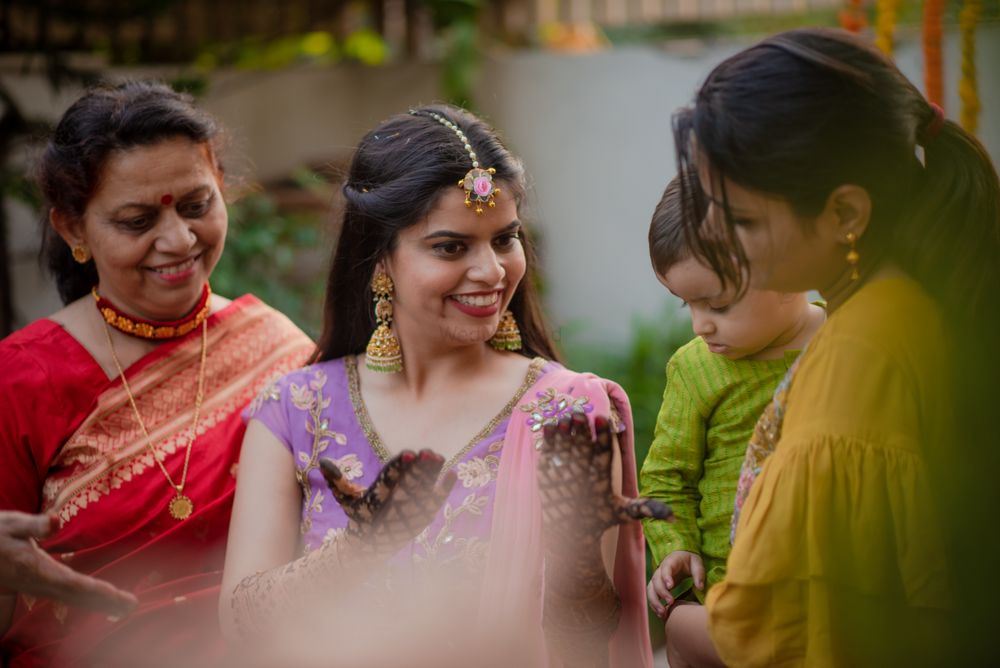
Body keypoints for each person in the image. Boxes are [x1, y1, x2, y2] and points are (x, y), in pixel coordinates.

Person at [219, 105, 670, 667]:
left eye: (504, 239)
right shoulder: (295, 409)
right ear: (381, 259)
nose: (491, 271)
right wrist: (359, 551)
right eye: (451, 247)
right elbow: (239, 628)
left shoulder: (564, 412)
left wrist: (579, 556)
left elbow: (584, 649)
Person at [669, 27, 1000, 667]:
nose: (714, 236)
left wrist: (675, 621)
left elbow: (789, 636)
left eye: (742, 220)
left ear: (846, 212)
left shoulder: (859, 355)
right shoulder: (905, 302)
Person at [0, 81, 314, 667]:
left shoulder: (282, 351)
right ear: (73, 230)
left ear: (222, 187)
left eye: (197, 206)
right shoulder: (19, 379)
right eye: (137, 220)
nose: (178, 240)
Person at [639, 174, 824, 667]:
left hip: (831, 582)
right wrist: (676, 546)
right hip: (733, 589)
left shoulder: (843, 340)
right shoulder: (696, 368)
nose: (700, 324)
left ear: (789, 270)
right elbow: (666, 477)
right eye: (687, 304)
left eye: (717, 303)